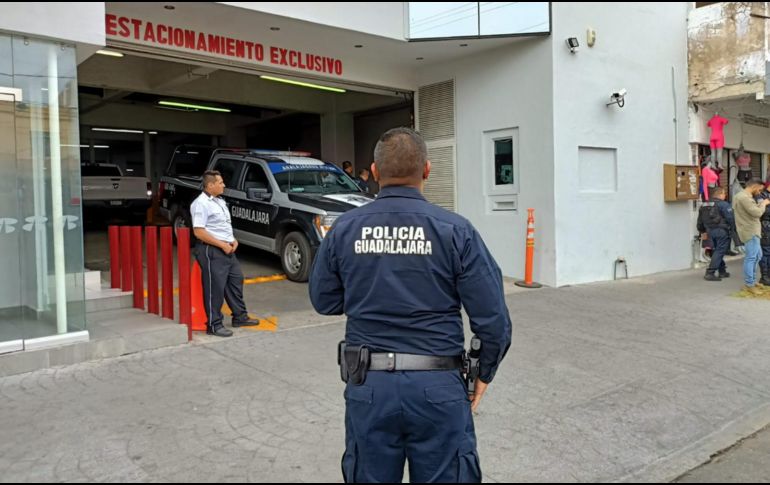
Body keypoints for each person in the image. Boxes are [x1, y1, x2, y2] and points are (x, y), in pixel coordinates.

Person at [309, 127, 512, 483]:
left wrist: (366, 290)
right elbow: (492, 319)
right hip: (438, 387)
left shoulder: (345, 229)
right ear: (428, 170)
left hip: (369, 387)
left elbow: (324, 300)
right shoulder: (456, 231)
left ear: (373, 171)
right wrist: (484, 373)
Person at [191, 171, 260, 337]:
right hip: (212, 250)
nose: (224, 185)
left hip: (227, 248)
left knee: (235, 281)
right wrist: (222, 244)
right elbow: (199, 232)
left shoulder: (220, 201)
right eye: (220, 182)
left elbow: (221, 225)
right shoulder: (201, 204)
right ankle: (214, 325)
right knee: (215, 288)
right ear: (210, 185)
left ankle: (240, 316)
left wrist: (232, 239)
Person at [732, 178, 770, 294]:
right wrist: (763, 203)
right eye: (759, 189)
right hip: (750, 231)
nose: (759, 192)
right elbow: (757, 213)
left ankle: (752, 282)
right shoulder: (744, 197)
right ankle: (749, 284)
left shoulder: (743, 196)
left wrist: (759, 204)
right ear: (754, 186)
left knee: (758, 255)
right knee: (751, 257)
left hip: (752, 230)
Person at [697, 187, 733, 281]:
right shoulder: (724, 204)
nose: (725, 195)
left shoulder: (704, 204)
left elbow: (700, 221)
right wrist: (734, 229)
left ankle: (722, 271)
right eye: (724, 193)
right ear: (720, 194)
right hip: (721, 231)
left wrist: (702, 231)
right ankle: (710, 272)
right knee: (720, 250)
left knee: (716, 250)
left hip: (709, 231)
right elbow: (730, 219)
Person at [758, 183, 770, 286]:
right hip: (765, 227)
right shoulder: (761, 196)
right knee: (766, 252)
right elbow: (761, 212)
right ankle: (764, 276)